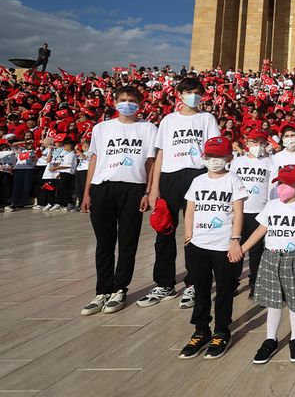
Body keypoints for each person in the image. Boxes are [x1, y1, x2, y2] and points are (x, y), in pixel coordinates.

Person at [236, 165, 295, 364]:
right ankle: (271, 339)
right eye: (280, 183)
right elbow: (260, 230)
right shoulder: (271, 205)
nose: (282, 187)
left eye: (287, 183)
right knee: (273, 301)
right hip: (270, 256)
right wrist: (242, 248)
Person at [142, 77, 221, 310]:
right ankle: (164, 283)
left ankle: (194, 283)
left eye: (197, 92)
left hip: (196, 175)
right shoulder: (168, 120)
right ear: (179, 94)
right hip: (169, 177)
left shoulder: (207, 118)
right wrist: (154, 188)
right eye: (188, 91)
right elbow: (160, 155)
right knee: (164, 230)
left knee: (194, 232)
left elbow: (213, 150)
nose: (192, 95)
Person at [79, 86, 157, 316]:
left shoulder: (148, 128)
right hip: (103, 187)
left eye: (132, 100)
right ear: (115, 102)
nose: (127, 104)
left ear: (140, 104)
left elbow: (151, 163)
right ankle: (102, 290)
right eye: (123, 100)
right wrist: (87, 191)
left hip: (133, 188)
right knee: (104, 242)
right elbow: (94, 159)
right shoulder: (101, 128)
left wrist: (147, 191)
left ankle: (120, 289)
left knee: (127, 242)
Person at [178, 136, 247, 360]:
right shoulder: (198, 181)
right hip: (198, 244)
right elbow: (190, 210)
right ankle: (201, 330)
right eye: (211, 156)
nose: (215, 160)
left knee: (225, 289)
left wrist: (235, 239)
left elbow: (238, 211)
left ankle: (221, 330)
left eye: (220, 156)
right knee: (201, 288)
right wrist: (188, 235)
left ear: (229, 157)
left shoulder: (233, 180)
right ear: (204, 157)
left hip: (223, 244)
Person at [229, 128, 274, 298]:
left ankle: (256, 281)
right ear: (247, 143)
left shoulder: (270, 162)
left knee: (256, 250)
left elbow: (272, 187)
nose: (258, 146)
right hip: (239, 211)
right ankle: (232, 281)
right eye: (255, 142)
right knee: (236, 246)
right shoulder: (237, 162)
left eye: (262, 143)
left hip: (259, 212)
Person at [74, 139, 91, 210]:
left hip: (85, 171)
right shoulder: (82, 152)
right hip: (79, 171)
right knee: (78, 188)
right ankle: (80, 203)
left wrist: (77, 150)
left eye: (83, 146)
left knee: (84, 188)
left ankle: (87, 204)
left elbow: (84, 157)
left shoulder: (90, 153)